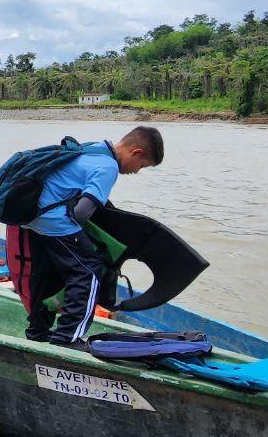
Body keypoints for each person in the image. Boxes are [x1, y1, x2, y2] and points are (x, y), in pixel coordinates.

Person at [24, 126, 163, 346]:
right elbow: (81, 213)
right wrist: (85, 241)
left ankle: (37, 331)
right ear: (136, 152)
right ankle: (66, 338)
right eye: (141, 166)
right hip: (54, 220)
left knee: (48, 270)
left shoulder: (93, 148)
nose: (137, 171)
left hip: (33, 217)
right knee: (89, 270)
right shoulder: (108, 167)